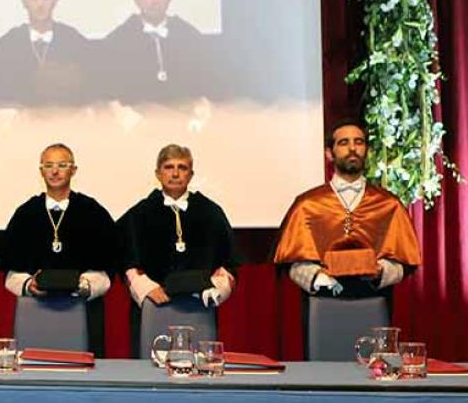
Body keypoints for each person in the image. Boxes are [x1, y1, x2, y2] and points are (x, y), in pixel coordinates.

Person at [0, 143, 117, 355]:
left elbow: (106, 271)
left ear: (73, 170)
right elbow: (11, 273)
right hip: (35, 312)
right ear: (41, 171)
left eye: (62, 164)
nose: (55, 171)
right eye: (48, 165)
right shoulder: (26, 214)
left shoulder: (92, 212)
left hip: (84, 310)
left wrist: (85, 285)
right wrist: (28, 284)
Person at [273, 121, 421, 297]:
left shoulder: (389, 205)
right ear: (329, 153)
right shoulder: (307, 205)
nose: (352, 148)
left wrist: (381, 272)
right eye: (344, 142)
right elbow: (292, 262)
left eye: (359, 142)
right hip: (321, 303)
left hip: (374, 301)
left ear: (367, 151)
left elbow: (404, 262)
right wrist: (317, 277)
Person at [119, 144, 239, 352]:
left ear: (191, 175)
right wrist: (147, 288)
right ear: (158, 173)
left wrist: (215, 289)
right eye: (168, 167)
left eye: (182, 168)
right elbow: (126, 260)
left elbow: (228, 262)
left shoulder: (211, 212)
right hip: (154, 304)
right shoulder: (139, 214)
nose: (175, 173)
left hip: (200, 306)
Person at [100, 0, 206, 104]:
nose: (155, 0)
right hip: (139, 119)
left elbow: (204, 85)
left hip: (184, 118)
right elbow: (110, 94)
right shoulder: (118, 41)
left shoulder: (189, 37)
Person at [0, 0, 93, 106]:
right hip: (23, 123)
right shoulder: (8, 44)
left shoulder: (73, 40)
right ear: (24, 2)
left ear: (55, 2)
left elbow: (90, 89)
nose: (40, 4)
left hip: (66, 120)